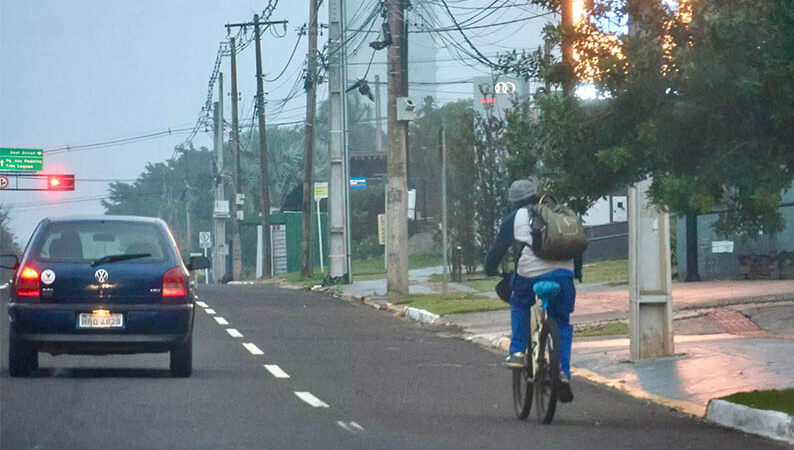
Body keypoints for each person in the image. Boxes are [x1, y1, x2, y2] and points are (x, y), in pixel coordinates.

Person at [484, 178, 581, 403]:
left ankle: (518, 351)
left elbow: (498, 249)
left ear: (514, 201)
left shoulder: (515, 217)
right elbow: (577, 245)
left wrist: (490, 269)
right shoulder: (560, 214)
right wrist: (576, 272)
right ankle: (562, 372)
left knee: (519, 301)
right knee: (562, 323)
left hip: (529, 274)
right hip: (564, 275)